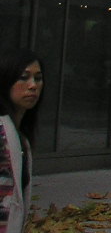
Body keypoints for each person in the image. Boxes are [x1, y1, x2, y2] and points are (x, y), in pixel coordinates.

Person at [1, 49, 43, 233]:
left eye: (38, 78)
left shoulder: (20, 137)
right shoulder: (2, 133)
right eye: (23, 78)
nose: (33, 85)